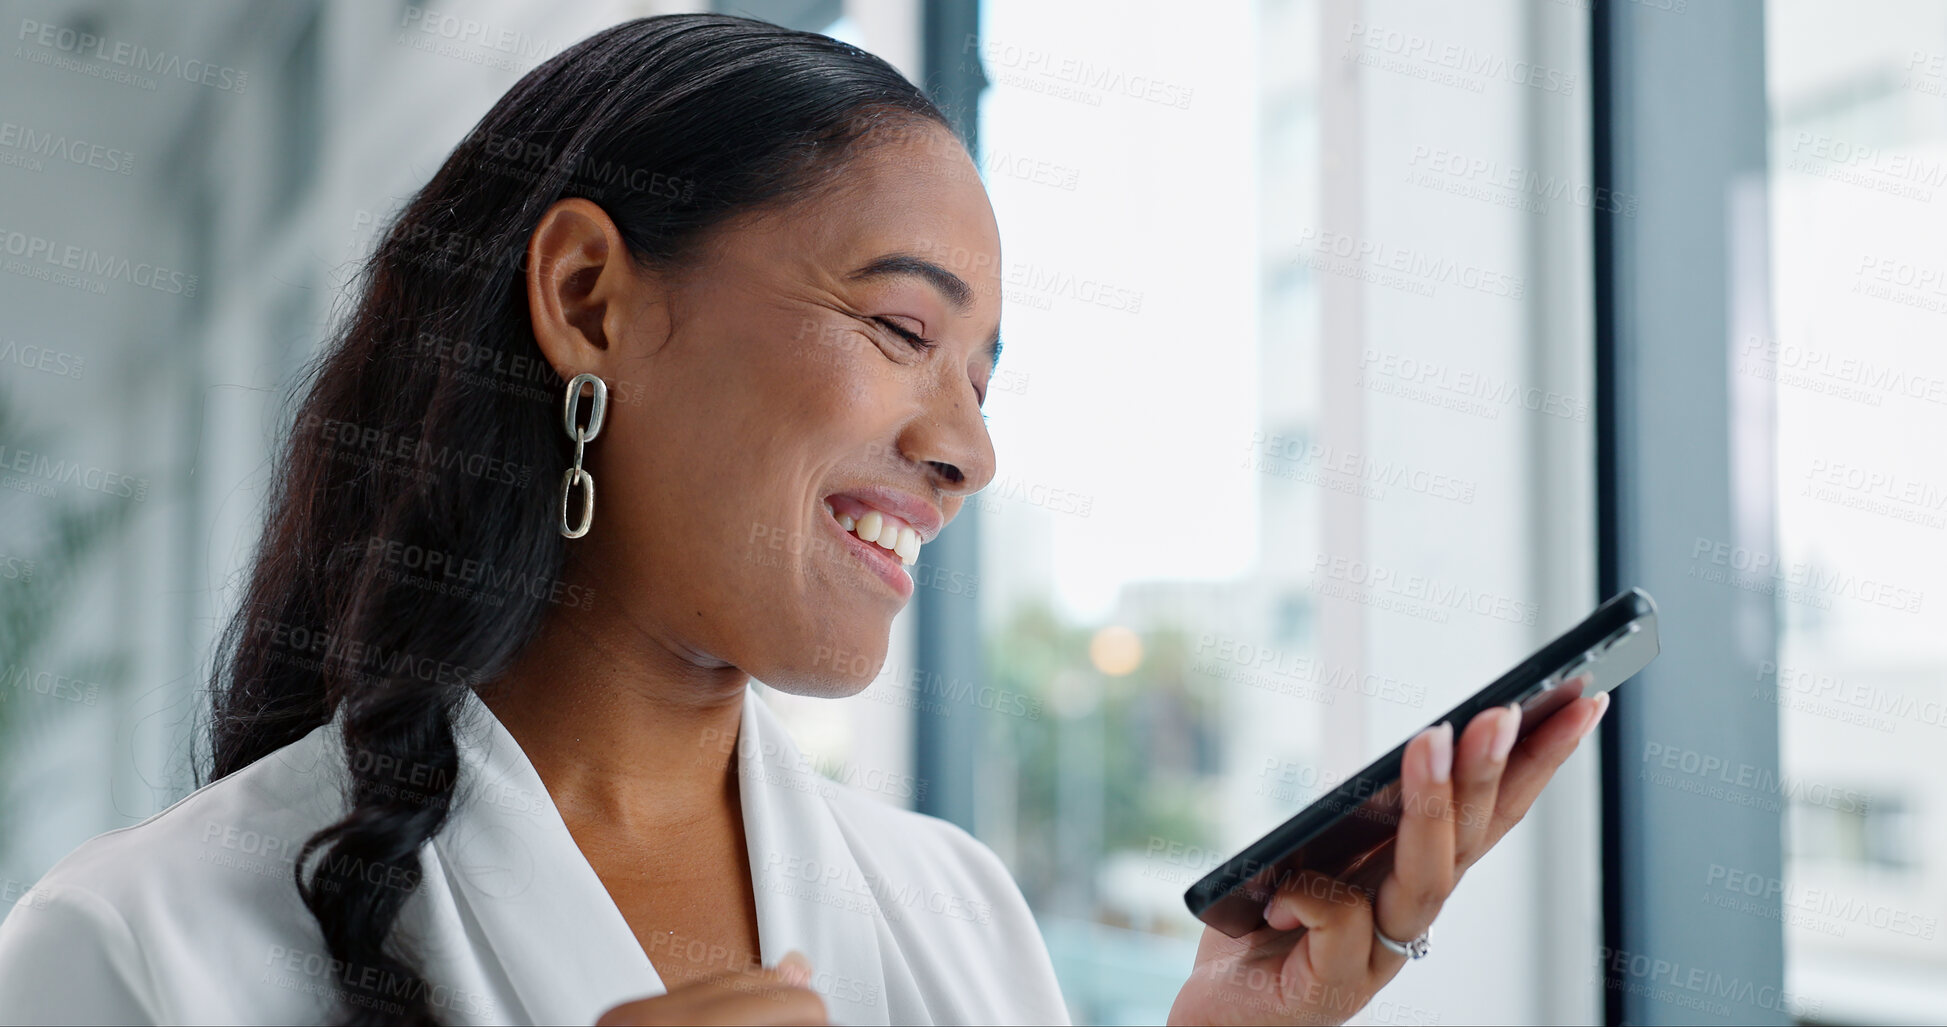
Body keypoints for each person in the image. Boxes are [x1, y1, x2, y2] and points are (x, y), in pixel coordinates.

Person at [0, 14, 1608, 1026]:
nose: (967, 444)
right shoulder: (143, 946)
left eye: (987, 373)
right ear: (587, 298)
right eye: (902, 331)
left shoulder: (955, 912)